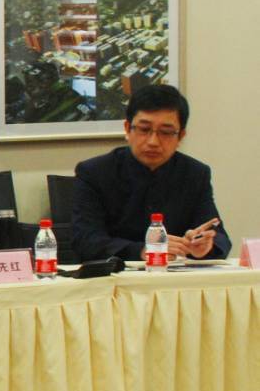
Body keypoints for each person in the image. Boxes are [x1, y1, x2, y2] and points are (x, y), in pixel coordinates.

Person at [72, 84, 231, 262]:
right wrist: (142, 250)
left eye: (166, 132)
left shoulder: (195, 174)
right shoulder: (94, 172)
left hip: (174, 275)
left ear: (181, 136)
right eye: (144, 129)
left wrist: (205, 246)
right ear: (127, 128)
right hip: (115, 275)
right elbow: (85, 241)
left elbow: (218, 235)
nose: (153, 141)